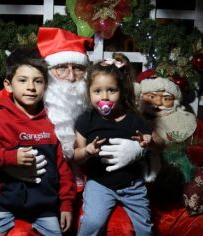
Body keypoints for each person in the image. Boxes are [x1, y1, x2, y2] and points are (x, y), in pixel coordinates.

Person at [0, 48, 76, 236]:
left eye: (38, 81)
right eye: (22, 80)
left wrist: (66, 204)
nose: (31, 87)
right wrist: (9, 157)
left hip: (45, 207)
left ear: (45, 86)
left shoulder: (53, 121)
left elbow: (63, 168)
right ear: (8, 85)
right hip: (2, 204)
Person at [135, 71, 203, 236]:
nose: (158, 103)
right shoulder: (129, 120)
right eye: (151, 96)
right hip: (138, 198)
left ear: (176, 100)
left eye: (165, 98)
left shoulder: (191, 124)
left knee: (201, 225)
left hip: (181, 201)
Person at [74, 59, 154, 236]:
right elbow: (76, 156)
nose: (104, 97)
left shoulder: (134, 118)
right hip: (99, 184)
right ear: (89, 93)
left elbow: (158, 142)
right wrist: (86, 151)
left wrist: (148, 140)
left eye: (111, 90)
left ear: (121, 91)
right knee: (92, 222)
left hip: (132, 185)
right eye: (97, 91)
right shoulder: (86, 120)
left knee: (145, 228)